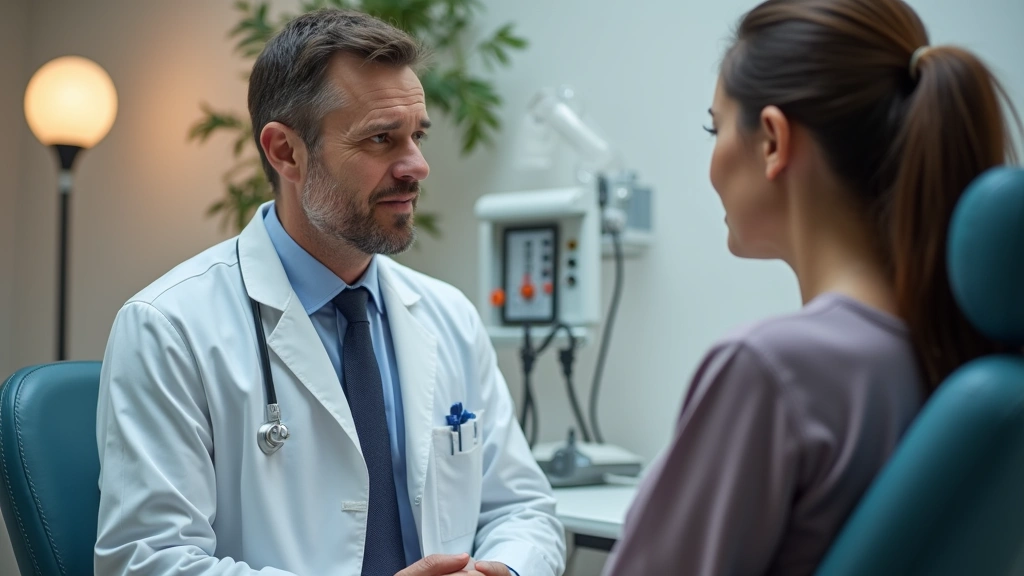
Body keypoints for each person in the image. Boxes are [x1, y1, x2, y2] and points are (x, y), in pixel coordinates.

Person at [94, 9, 565, 576]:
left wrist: (505, 572)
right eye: (381, 139)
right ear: (285, 152)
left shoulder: (449, 316)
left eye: (417, 135)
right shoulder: (169, 327)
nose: (417, 165)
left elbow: (522, 508)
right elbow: (147, 561)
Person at [603, 0, 1020, 574]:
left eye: (714, 126)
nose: (712, 159)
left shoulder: (772, 369)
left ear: (772, 141)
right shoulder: (956, 349)